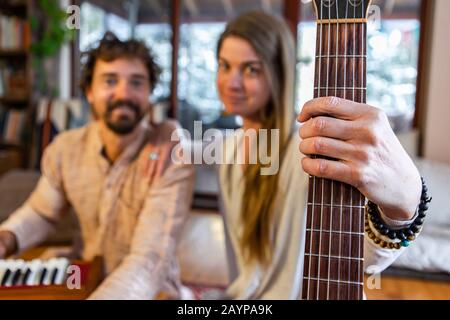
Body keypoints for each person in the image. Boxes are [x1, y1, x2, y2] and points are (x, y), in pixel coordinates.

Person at [214, 11, 423, 299]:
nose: (231, 82)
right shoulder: (228, 149)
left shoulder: (313, 147)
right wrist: (165, 128)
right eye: (224, 66)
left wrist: (402, 206)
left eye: (251, 69)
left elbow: (362, 257)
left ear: (278, 73)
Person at [0, 32, 194, 299]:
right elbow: (42, 212)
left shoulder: (172, 157)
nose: (124, 93)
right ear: (90, 92)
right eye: (110, 80)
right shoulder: (65, 148)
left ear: (149, 93)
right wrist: (7, 237)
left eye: (136, 82)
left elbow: (150, 259)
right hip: (82, 275)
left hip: (151, 290)